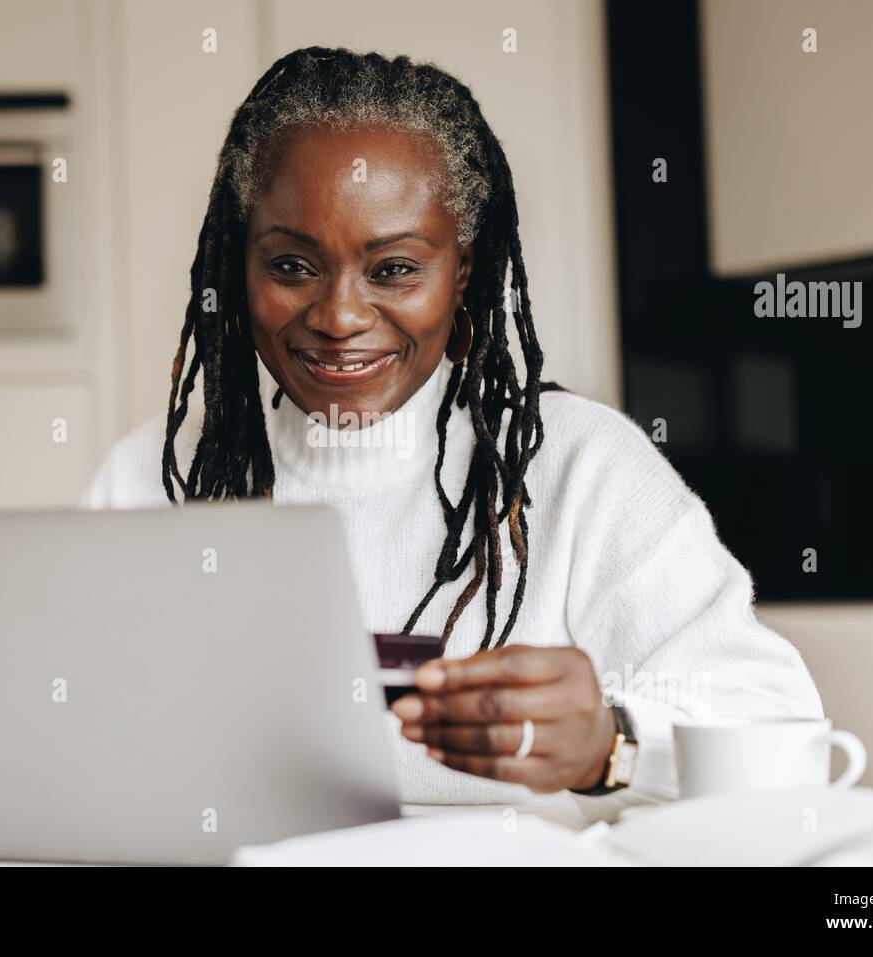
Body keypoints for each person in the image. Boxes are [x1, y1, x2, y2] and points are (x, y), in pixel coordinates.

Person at [84, 47, 822, 815]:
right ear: (239, 265)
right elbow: (71, 728)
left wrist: (611, 743)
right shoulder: (153, 473)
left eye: (395, 269)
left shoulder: (578, 464)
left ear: (461, 272)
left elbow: (781, 728)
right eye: (292, 266)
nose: (339, 317)